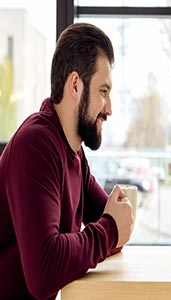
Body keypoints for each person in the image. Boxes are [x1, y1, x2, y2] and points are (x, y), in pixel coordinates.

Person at [0, 23, 134, 299]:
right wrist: (110, 228)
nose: (109, 109)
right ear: (76, 84)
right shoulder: (35, 145)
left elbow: (113, 231)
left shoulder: (72, 151)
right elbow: (44, 272)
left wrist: (112, 226)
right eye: (103, 92)